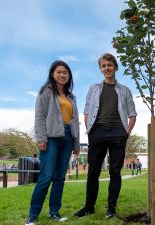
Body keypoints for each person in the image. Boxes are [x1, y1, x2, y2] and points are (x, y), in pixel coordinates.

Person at [74, 53, 137, 219]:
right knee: (93, 171)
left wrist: (126, 132)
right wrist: (90, 129)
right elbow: (87, 110)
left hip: (118, 132)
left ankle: (111, 209)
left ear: (115, 67)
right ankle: (89, 207)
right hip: (98, 131)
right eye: (103, 66)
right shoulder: (93, 88)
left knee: (115, 172)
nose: (107, 68)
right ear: (101, 69)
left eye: (109, 65)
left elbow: (132, 113)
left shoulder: (125, 90)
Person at [25, 61, 80, 225]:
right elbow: (40, 116)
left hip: (68, 137)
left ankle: (54, 213)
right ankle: (32, 216)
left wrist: (77, 143)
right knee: (46, 177)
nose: (62, 75)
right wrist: (41, 138)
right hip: (51, 138)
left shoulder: (71, 97)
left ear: (69, 75)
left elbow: (75, 121)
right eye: (59, 72)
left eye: (65, 72)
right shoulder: (46, 92)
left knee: (59, 178)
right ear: (52, 74)